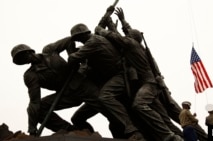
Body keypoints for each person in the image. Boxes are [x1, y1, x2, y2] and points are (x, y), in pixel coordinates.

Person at [95, 7, 183, 141]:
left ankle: (169, 136)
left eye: (128, 34)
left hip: (149, 84)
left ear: (131, 38)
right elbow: (122, 34)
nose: (126, 34)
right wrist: (118, 21)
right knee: (164, 117)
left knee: (139, 105)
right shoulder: (136, 45)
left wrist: (101, 30)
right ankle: (180, 137)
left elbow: (115, 36)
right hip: (148, 84)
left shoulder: (130, 43)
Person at [68, 23, 145, 141]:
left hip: (119, 76)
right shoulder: (90, 44)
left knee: (105, 96)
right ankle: (90, 137)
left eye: (78, 38)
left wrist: (71, 51)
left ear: (84, 35)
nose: (78, 41)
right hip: (105, 83)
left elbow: (74, 58)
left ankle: (132, 130)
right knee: (77, 118)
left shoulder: (93, 41)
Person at [11, 37, 99, 136]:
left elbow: (69, 41)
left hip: (82, 84)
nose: (24, 59)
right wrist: (32, 127)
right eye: (20, 59)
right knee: (40, 108)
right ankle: (69, 130)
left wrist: (73, 57)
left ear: (29, 51)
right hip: (67, 95)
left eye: (23, 55)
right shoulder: (30, 75)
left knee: (105, 103)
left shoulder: (49, 50)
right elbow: (34, 102)